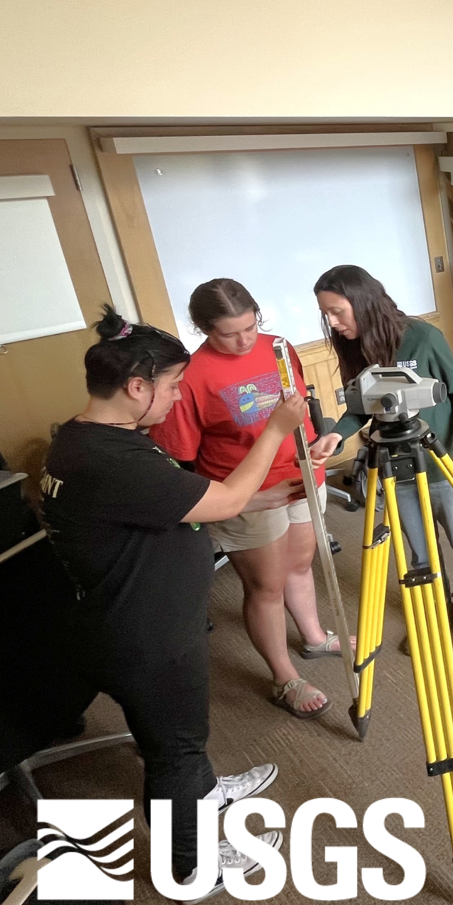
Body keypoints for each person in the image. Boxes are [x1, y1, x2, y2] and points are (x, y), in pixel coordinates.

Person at [41, 306, 305, 900]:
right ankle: (188, 868)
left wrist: (246, 500)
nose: (177, 397)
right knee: (173, 751)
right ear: (136, 387)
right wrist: (275, 430)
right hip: (146, 637)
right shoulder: (112, 461)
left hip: (131, 621)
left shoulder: (84, 440)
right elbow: (227, 499)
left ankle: (206, 792)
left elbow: (182, 504)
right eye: (172, 387)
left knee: (175, 739)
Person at [152, 279, 347, 720]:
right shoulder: (193, 374)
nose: (245, 340)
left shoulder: (279, 347)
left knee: (300, 564)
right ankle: (284, 677)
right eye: (229, 333)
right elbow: (181, 459)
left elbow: (296, 405)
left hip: (301, 474)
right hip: (247, 492)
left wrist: (317, 444)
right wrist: (233, 501)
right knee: (266, 586)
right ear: (203, 328)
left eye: (250, 326)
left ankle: (314, 637)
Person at [307, 265, 453, 665]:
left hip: (447, 460)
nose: (332, 322)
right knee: (420, 553)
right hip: (398, 467)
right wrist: (336, 434)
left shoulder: (423, 337)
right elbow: (362, 407)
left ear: (363, 302)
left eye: (338, 311)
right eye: (325, 313)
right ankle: (438, 609)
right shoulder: (353, 346)